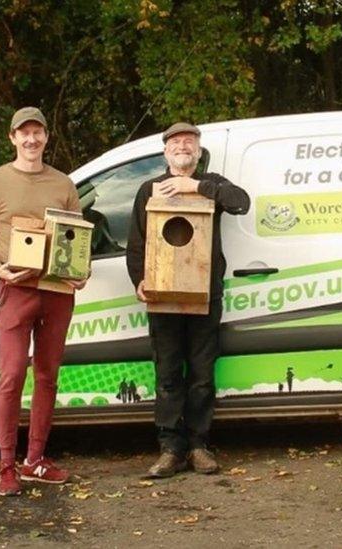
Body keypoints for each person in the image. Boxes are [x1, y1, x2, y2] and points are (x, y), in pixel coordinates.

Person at [0, 106, 87, 496]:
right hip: (15, 289)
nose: (31, 139)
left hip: (57, 292)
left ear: (46, 138)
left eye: (38, 133)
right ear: (13, 138)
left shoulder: (63, 183)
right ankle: (6, 465)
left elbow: (76, 237)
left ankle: (35, 459)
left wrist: (80, 272)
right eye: (24, 133)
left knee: (48, 376)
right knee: (13, 375)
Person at [126, 122, 250, 478]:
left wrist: (194, 186)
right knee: (167, 374)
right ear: (165, 152)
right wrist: (140, 280)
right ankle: (170, 449)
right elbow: (137, 243)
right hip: (162, 296)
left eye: (189, 142)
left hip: (204, 295)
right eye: (175, 142)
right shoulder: (148, 189)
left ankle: (198, 446)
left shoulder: (213, 185)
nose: (182, 146)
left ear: (197, 151)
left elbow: (241, 202)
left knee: (201, 374)